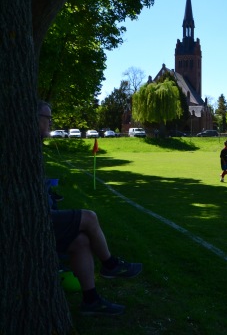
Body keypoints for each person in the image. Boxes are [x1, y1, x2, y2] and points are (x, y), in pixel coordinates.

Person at [39, 101, 142, 316]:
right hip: (37, 220)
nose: (50, 123)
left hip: (43, 214)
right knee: (89, 217)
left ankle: (91, 300)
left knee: (82, 241)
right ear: (34, 118)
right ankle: (111, 265)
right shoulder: (20, 146)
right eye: (47, 118)